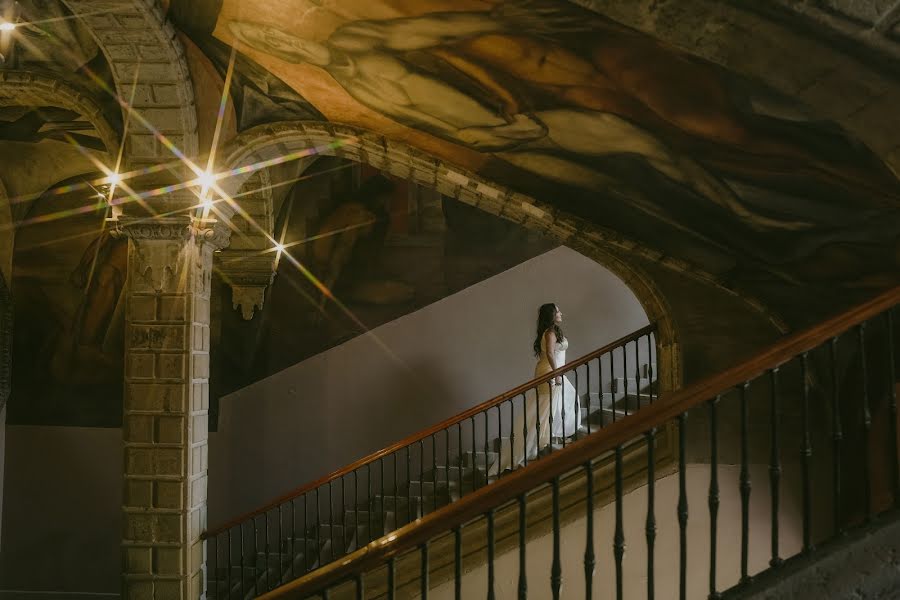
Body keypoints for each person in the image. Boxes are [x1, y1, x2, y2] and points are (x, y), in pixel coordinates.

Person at [492, 303, 582, 475]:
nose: (561, 313)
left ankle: (546, 438)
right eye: (558, 311)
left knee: (549, 405)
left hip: (550, 369)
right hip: (549, 370)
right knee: (547, 407)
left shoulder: (552, 331)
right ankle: (537, 442)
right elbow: (549, 353)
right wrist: (556, 374)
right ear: (551, 315)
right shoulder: (549, 332)